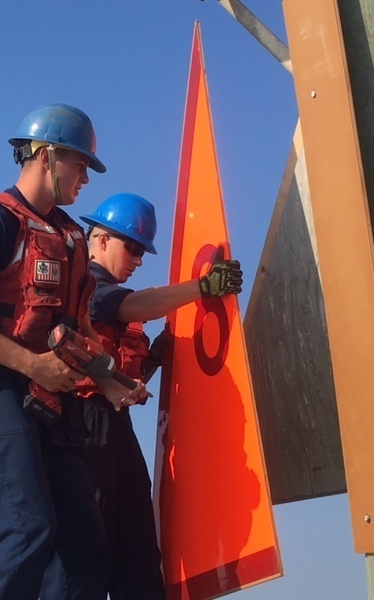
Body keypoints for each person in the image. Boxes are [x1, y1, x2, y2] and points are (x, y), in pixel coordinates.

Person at [0, 105, 147, 600]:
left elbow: (79, 327)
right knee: (23, 533)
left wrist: (109, 380)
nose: (86, 177)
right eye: (80, 163)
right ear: (47, 157)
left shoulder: (70, 239)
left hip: (47, 397)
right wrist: (31, 365)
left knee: (83, 546)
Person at [76, 193, 243, 599]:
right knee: (91, 551)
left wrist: (151, 360)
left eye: (142, 252)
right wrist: (201, 287)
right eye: (131, 247)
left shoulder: (110, 293)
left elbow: (120, 365)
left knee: (138, 551)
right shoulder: (88, 286)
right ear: (99, 240)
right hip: (84, 427)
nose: (137, 259)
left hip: (116, 426)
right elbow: (132, 307)